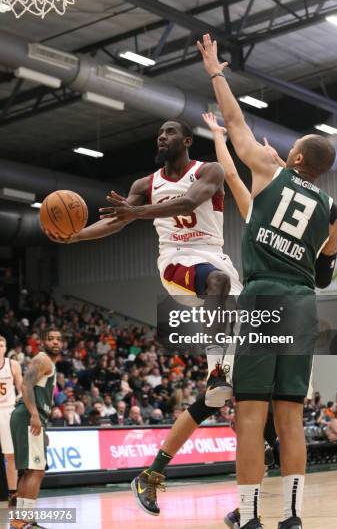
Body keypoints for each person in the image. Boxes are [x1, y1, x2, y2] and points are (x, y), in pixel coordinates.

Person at [46, 117, 243, 514]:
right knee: (218, 285)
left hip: (216, 259)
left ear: (186, 140)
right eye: (159, 133)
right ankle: (221, 376)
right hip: (177, 263)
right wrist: (77, 234)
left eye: (170, 132)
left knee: (221, 396)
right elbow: (115, 221)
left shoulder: (209, 170)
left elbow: (188, 202)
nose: (162, 137)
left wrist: (135, 215)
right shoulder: (144, 185)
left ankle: (154, 474)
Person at [197, 33, 337, 529]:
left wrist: (216, 71)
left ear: (296, 159)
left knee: (252, 415)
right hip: (303, 305)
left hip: (264, 297)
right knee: (291, 418)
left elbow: (235, 122)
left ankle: (251, 517)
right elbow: (325, 270)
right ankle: (293, 516)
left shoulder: (267, 171)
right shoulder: (330, 209)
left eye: (290, 148)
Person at [9, 326, 62, 529]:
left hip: (31, 416)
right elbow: (25, 385)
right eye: (51, 339)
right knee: (36, 471)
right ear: (43, 342)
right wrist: (34, 415)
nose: (56, 342)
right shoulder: (43, 360)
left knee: (29, 471)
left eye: (58, 339)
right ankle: (24, 521)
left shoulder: (49, 363)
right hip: (28, 416)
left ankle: (19, 522)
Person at [0, 335, 22, 507]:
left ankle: (13, 493)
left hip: (8, 411)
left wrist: (18, 399)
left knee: (11, 455)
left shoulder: (13, 365)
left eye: (1, 345)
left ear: (5, 347)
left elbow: (22, 389)